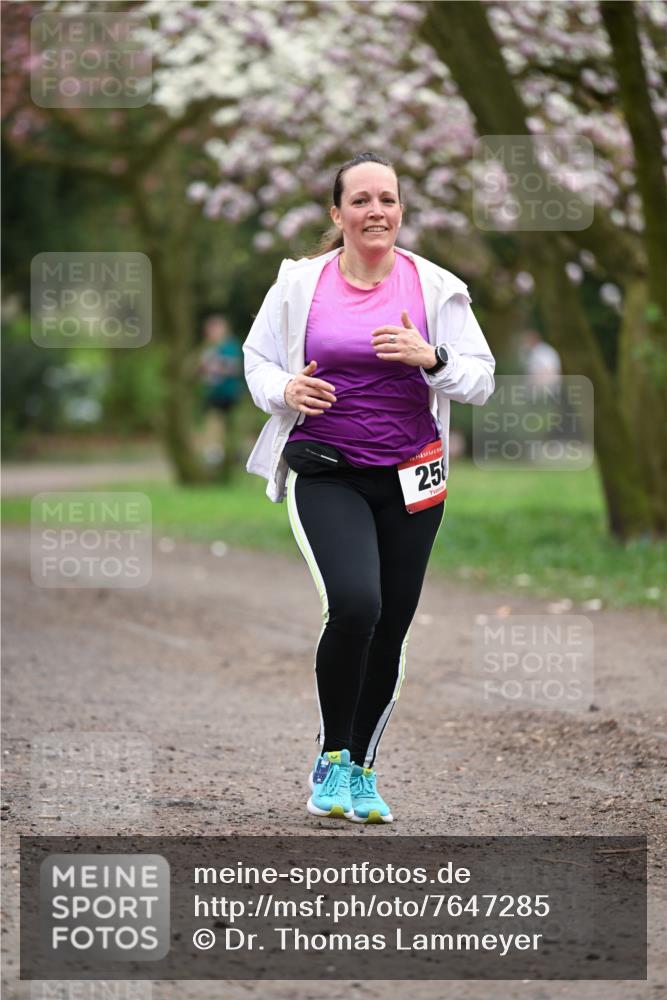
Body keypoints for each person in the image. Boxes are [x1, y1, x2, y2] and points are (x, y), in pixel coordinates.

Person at [243, 152, 495, 824]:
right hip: (327, 470)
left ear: (400, 210)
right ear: (337, 214)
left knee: (391, 627)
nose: (374, 210)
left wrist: (431, 358)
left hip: (414, 478)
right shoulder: (302, 285)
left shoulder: (435, 287)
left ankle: (360, 768)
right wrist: (283, 389)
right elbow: (258, 359)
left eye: (386, 198)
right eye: (359, 200)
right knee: (356, 604)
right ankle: (330, 757)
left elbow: (479, 376)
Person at [197, 313, 243, 468]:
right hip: (214, 391)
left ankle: (232, 452)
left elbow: (233, 367)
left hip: (229, 391)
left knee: (230, 423)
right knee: (214, 421)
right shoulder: (209, 347)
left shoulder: (230, 345)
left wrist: (215, 367)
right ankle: (215, 452)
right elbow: (201, 369)